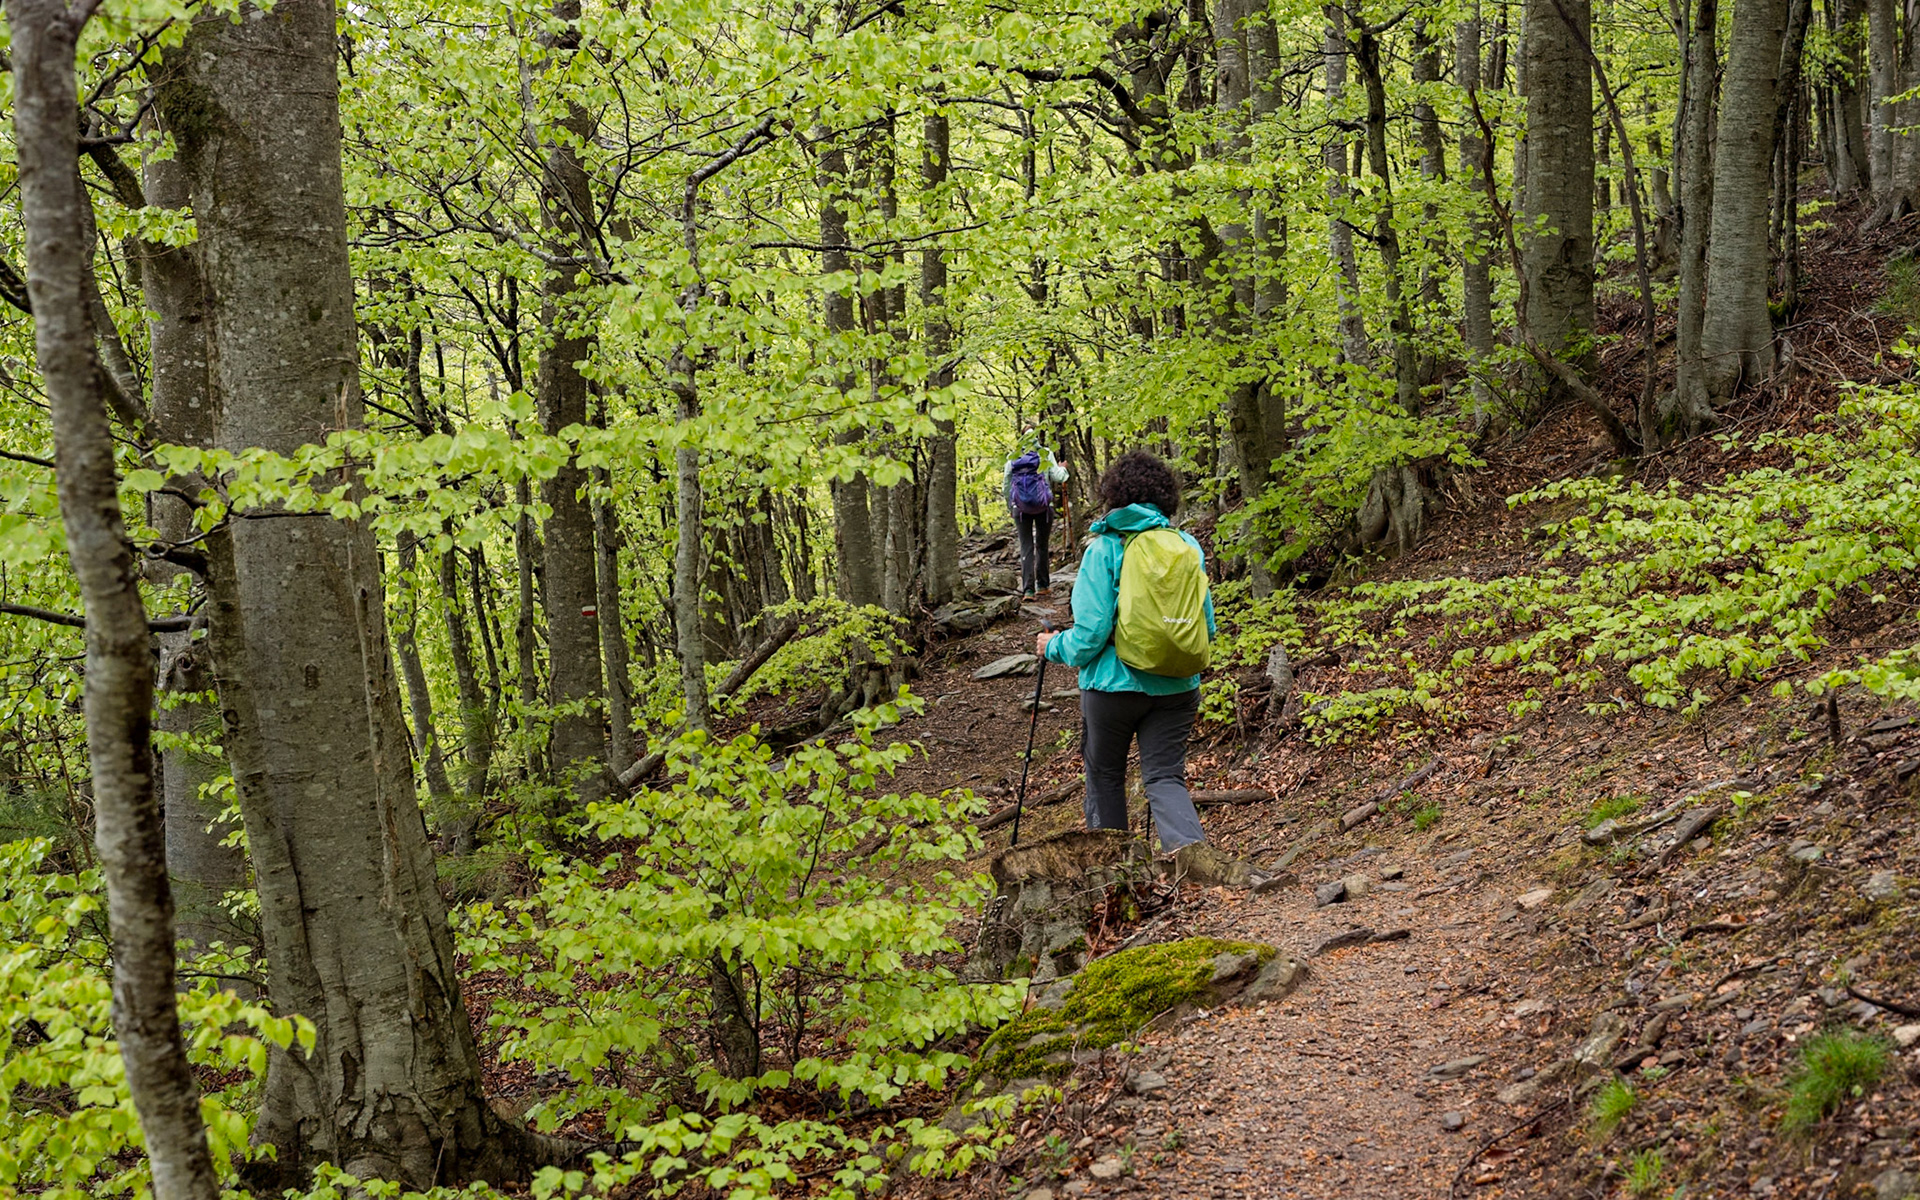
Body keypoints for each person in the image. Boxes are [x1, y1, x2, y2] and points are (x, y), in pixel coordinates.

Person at [1034, 450, 1215, 856]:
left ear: (1114, 495)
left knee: (1105, 777)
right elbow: (1208, 625)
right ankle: (1197, 867)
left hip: (1111, 689)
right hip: (1177, 685)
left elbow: (1090, 635)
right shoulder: (1186, 545)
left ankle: (1114, 877)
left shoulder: (1104, 549)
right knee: (1166, 777)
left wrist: (1053, 647)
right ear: (1166, 498)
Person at [1004, 431, 1068, 597]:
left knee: (1026, 546)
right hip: (1043, 507)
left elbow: (1006, 484)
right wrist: (1063, 469)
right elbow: (1058, 476)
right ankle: (1043, 585)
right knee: (1042, 545)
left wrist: (1010, 507)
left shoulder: (1012, 457)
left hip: (1020, 508)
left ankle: (1028, 590)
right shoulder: (1045, 454)